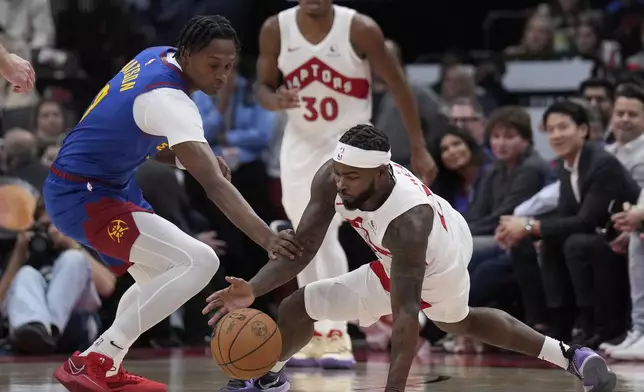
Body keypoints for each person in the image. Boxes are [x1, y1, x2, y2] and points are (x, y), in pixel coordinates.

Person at [205, 124, 617, 392]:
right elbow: (303, 249)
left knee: (454, 320)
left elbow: (405, 316)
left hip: (439, 255)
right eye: (338, 173)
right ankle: (264, 377)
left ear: (381, 175)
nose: (341, 184)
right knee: (299, 305)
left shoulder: (408, 224)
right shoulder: (332, 176)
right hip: (401, 249)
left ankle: (568, 355)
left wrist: (394, 389)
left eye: (351, 178)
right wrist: (254, 289)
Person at [43, 15, 302, 392]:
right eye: (213, 65)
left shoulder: (157, 56)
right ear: (188, 54)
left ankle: (108, 363)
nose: (221, 76)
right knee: (200, 260)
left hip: (100, 186)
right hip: (83, 196)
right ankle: (95, 360)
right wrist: (268, 240)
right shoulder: (170, 100)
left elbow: (141, 134)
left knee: (157, 279)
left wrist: (190, 156)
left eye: (228, 67)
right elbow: (214, 185)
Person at [255, 0, 437, 367]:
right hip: (300, 144)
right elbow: (262, 86)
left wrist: (418, 146)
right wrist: (275, 100)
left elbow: (399, 85)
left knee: (326, 234)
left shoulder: (360, 28)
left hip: (350, 143)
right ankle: (314, 332)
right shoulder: (276, 28)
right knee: (302, 239)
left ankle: (335, 331)